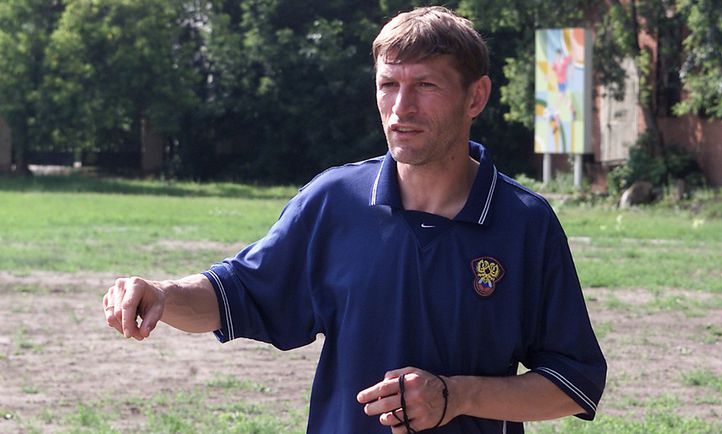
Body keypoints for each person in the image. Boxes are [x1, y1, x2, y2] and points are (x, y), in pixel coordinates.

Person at [103, 6, 606, 433]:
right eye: (388, 85)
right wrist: (163, 294)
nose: (401, 107)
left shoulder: (524, 222)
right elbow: (234, 293)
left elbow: (573, 383)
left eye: (425, 85)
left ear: (475, 96)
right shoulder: (335, 202)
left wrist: (457, 396)